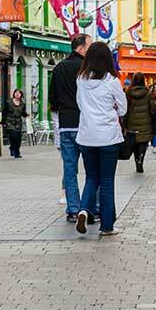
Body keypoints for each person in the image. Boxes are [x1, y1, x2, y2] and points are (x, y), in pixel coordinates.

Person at [75, 41, 127, 237]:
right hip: (108, 138)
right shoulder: (112, 82)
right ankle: (107, 227)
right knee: (106, 181)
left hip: (87, 137)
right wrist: (111, 108)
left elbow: (80, 104)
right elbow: (123, 108)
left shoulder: (80, 79)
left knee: (91, 177)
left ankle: (82, 209)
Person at [49, 33, 95, 222]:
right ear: (81, 48)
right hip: (86, 125)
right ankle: (91, 207)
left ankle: (73, 209)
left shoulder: (59, 68)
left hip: (66, 125)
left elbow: (52, 97)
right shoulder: (88, 68)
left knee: (70, 169)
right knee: (93, 170)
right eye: (90, 45)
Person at [123, 73, 154, 174]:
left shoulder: (128, 93)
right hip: (145, 122)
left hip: (132, 123)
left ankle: (137, 161)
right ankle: (141, 159)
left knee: (135, 143)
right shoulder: (148, 93)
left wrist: (125, 124)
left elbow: (126, 110)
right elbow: (152, 109)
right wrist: (153, 122)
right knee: (143, 143)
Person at [4, 88, 29, 158]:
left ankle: (15, 151)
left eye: (19, 93)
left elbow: (23, 113)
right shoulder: (8, 102)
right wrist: (3, 122)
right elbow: (5, 112)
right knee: (13, 136)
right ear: (14, 94)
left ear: (21, 95)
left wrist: (26, 114)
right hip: (10, 122)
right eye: (16, 92)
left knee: (18, 139)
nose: (17, 94)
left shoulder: (22, 104)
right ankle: (15, 151)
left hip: (18, 122)